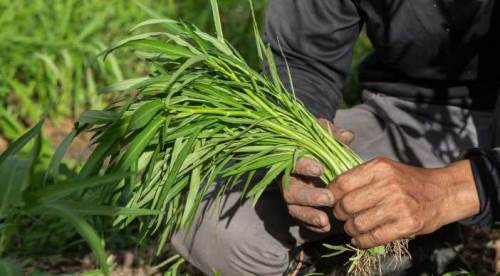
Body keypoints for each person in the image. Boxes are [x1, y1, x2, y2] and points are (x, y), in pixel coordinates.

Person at [171, 0, 500, 274]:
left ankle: (440, 230)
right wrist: (301, 136)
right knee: (203, 211)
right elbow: (304, 58)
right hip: (419, 115)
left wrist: (452, 191)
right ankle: (416, 246)